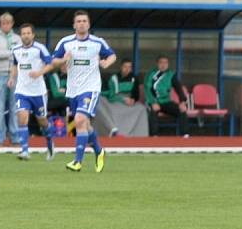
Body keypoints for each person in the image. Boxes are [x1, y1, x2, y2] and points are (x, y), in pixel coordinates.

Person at [50, 10, 116, 173]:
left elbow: (112, 55)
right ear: (74, 24)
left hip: (91, 88)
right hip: (73, 90)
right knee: (84, 124)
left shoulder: (97, 42)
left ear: (89, 24)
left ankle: (77, 161)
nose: (81, 23)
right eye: (78, 21)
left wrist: (106, 63)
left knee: (79, 120)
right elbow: (53, 61)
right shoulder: (65, 42)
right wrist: (63, 60)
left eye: (84, 21)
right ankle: (99, 151)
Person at [8, 23, 54, 161]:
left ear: (33, 35)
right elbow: (15, 65)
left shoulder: (40, 48)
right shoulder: (15, 49)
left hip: (38, 92)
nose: (26, 35)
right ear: (20, 35)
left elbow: (50, 64)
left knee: (43, 122)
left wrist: (39, 72)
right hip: (22, 90)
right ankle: (25, 150)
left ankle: (50, 143)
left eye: (28, 33)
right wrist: (12, 78)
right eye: (23, 33)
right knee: (22, 118)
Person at [0, 12, 22, 147]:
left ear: (12, 24)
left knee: (15, 108)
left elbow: (20, 55)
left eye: (8, 23)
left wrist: (12, 54)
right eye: (3, 23)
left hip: (14, 74)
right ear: (0, 24)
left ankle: (15, 137)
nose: (6, 25)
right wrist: (12, 53)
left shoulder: (17, 38)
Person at [97, 59, 148, 137]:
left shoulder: (134, 78)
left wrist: (133, 100)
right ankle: (113, 131)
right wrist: (123, 99)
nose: (127, 69)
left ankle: (139, 135)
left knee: (142, 109)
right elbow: (111, 96)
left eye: (129, 67)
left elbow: (135, 94)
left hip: (129, 103)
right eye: (125, 67)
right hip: (116, 101)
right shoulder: (114, 78)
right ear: (121, 67)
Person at [145, 55, 189, 138]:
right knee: (152, 112)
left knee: (182, 110)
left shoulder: (171, 74)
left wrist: (182, 102)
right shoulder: (150, 74)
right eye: (161, 62)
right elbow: (147, 89)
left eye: (165, 63)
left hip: (166, 102)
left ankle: (185, 135)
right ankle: (154, 135)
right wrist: (153, 102)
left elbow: (178, 88)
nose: (163, 65)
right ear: (157, 63)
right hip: (154, 101)